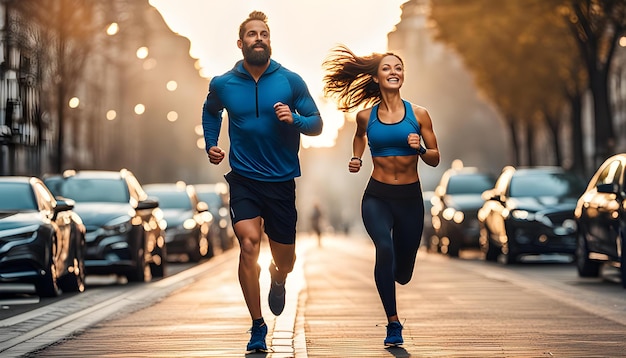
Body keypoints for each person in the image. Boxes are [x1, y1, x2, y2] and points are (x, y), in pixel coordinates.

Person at [202, 10, 323, 352]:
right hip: (244, 178)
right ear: (241, 44)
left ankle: (279, 275)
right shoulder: (223, 83)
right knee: (248, 243)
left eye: (264, 34)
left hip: (281, 180)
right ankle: (257, 326)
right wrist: (212, 143)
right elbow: (211, 111)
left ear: (270, 41)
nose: (259, 39)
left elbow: (317, 124)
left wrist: (294, 118)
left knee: (287, 259)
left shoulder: (290, 81)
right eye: (252, 34)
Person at [322, 45, 440, 347]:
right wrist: (356, 158)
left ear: (403, 76)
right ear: (377, 77)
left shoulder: (420, 115)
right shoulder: (365, 117)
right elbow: (359, 137)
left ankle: (398, 278)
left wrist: (421, 148)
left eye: (398, 68)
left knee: (403, 272)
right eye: (387, 68)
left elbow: (436, 158)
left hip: (410, 199)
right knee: (384, 249)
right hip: (377, 196)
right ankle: (393, 322)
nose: (394, 72)